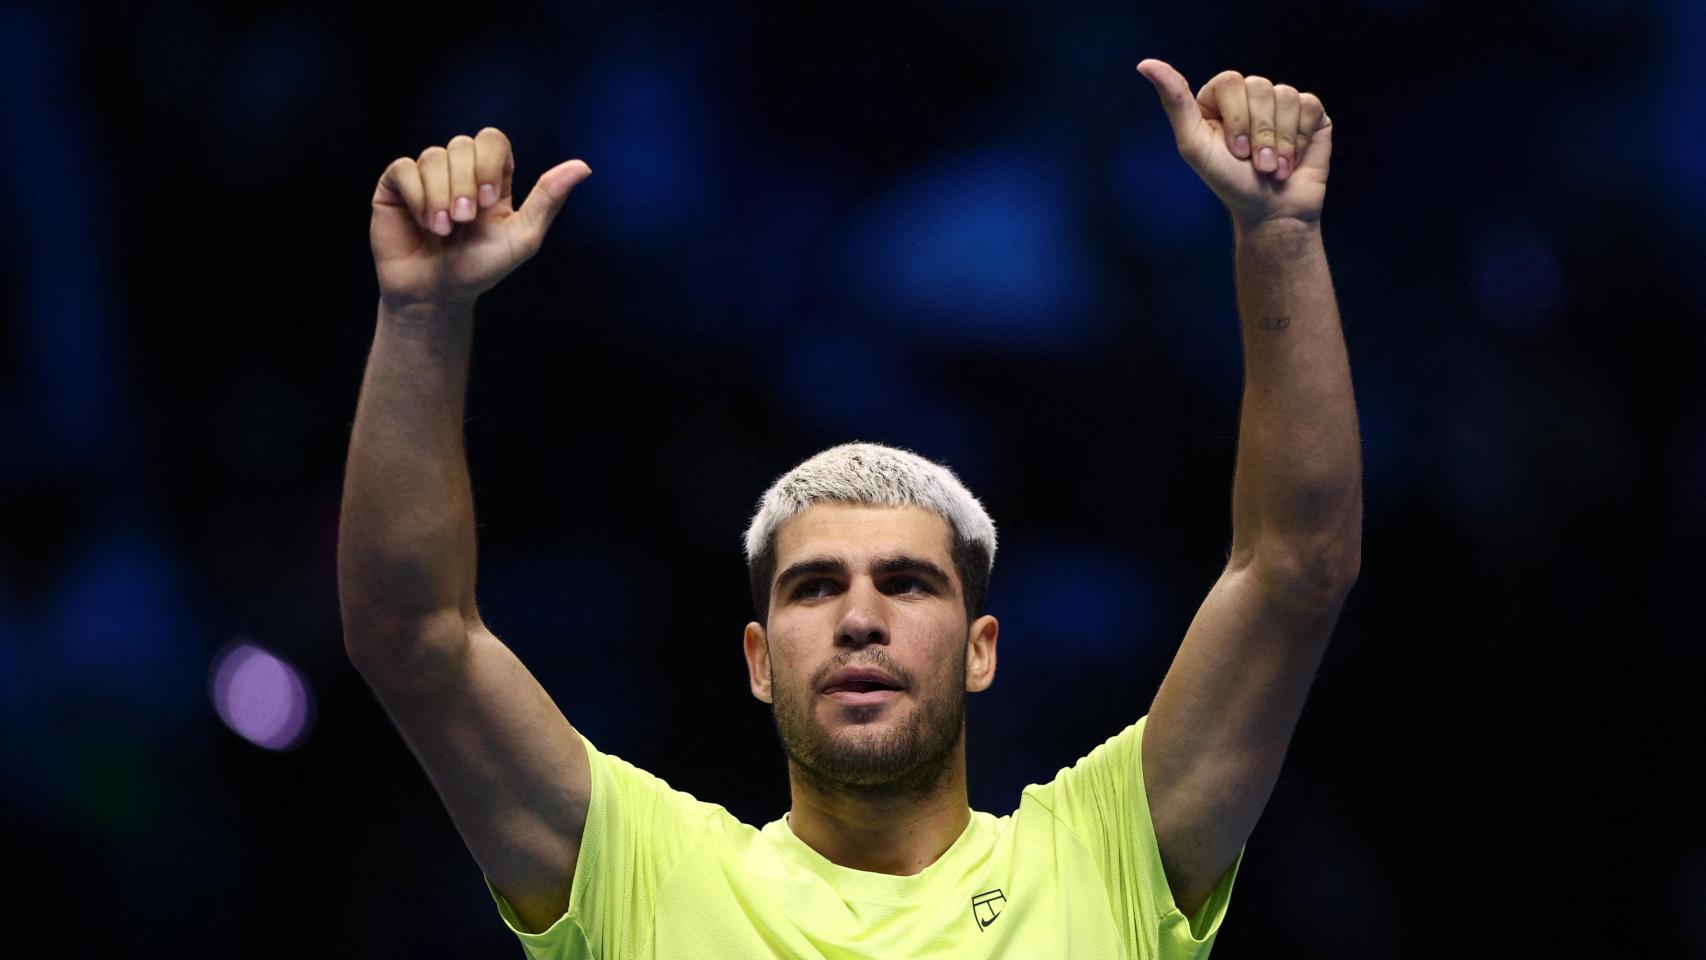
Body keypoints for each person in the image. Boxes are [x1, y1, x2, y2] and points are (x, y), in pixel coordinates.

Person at [339, 57, 1361, 959]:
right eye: (813, 586)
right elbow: (413, 635)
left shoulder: (1109, 858)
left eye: (908, 582)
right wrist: (421, 316)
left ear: (980, 648)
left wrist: (1277, 232)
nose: (859, 617)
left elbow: (1294, 566)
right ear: (756, 656)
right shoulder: (641, 876)